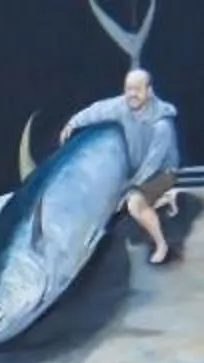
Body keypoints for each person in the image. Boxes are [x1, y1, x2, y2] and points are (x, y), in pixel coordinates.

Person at [64, 68, 182, 265]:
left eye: (137, 89)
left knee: (134, 203)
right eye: (129, 89)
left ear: (149, 91)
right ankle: (164, 198)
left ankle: (161, 245)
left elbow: (152, 164)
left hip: (162, 172)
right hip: (137, 171)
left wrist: (129, 188)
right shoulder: (122, 106)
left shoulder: (162, 124)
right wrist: (72, 123)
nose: (132, 94)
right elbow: (98, 110)